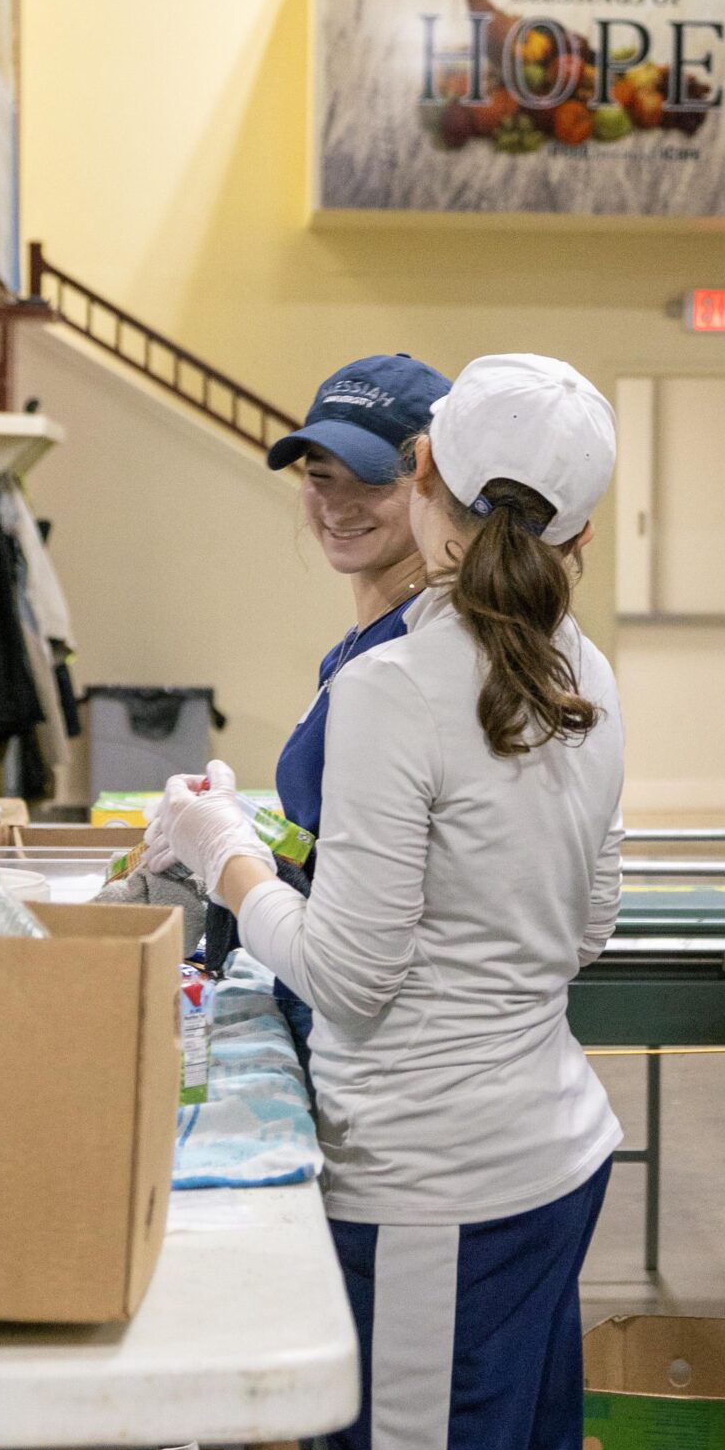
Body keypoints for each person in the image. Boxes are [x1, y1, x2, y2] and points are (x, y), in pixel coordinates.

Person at [147, 352, 625, 1450]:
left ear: (421, 478)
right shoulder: (579, 672)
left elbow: (347, 972)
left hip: (431, 1191)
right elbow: (589, 921)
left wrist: (217, 852)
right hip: (545, 1155)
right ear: (581, 541)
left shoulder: (403, 689)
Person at [238, 353, 451, 1069]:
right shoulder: (355, 652)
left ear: (430, 487)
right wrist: (253, 832)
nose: (336, 504)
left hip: (388, 1046)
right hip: (325, 998)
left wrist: (230, 866)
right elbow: (335, 831)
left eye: (369, 481)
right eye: (319, 476)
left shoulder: (415, 658)